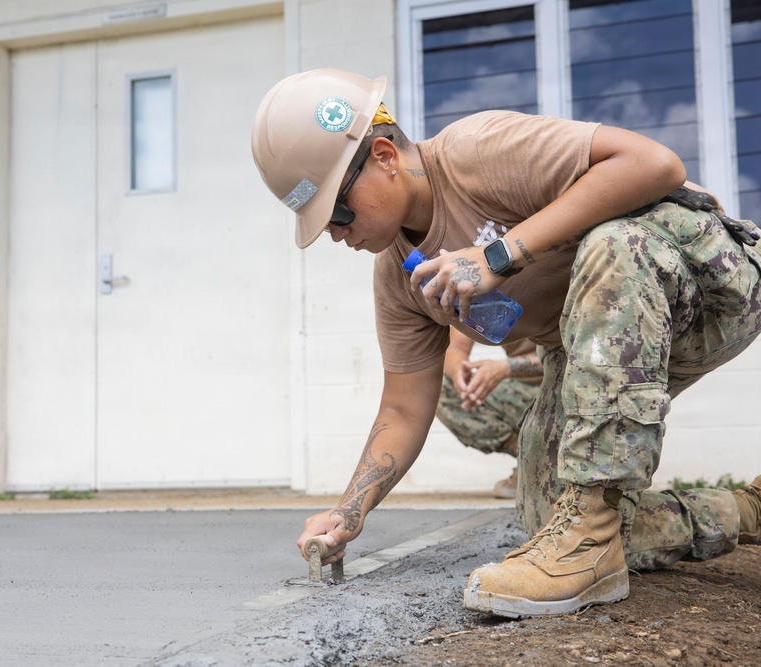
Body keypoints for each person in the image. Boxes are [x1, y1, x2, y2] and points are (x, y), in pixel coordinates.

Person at [250, 68, 761, 619]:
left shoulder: (476, 151)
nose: (336, 233)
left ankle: (588, 542)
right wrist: (350, 511)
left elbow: (655, 165)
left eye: (338, 211)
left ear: (384, 156)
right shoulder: (398, 277)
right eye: (324, 223)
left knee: (613, 244)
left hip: (708, 281)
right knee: (546, 517)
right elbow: (403, 405)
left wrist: (499, 255)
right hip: (606, 342)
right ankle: (744, 510)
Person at [437, 329, 541, 499]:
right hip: (523, 390)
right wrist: (461, 377)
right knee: (441, 387)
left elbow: (579, 355)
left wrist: (506, 367)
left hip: (571, 387)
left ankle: (559, 462)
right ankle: (535, 461)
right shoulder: (473, 302)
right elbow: (455, 349)